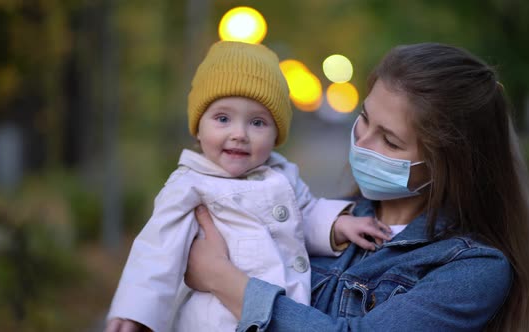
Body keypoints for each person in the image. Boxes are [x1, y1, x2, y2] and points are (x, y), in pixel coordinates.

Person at [184, 42, 529, 331]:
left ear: (449, 164)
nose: (362, 143)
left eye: (389, 141)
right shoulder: (327, 219)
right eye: (365, 119)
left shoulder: (474, 268)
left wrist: (221, 278)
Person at [105, 40, 392, 332]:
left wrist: (338, 225)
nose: (239, 134)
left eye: (257, 123)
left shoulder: (282, 175)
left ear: (276, 133)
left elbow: (306, 213)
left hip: (279, 312)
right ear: (198, 127)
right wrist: (136, 312)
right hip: (214, 321)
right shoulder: (189, 185)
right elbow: (157, 251)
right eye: (223, 119)